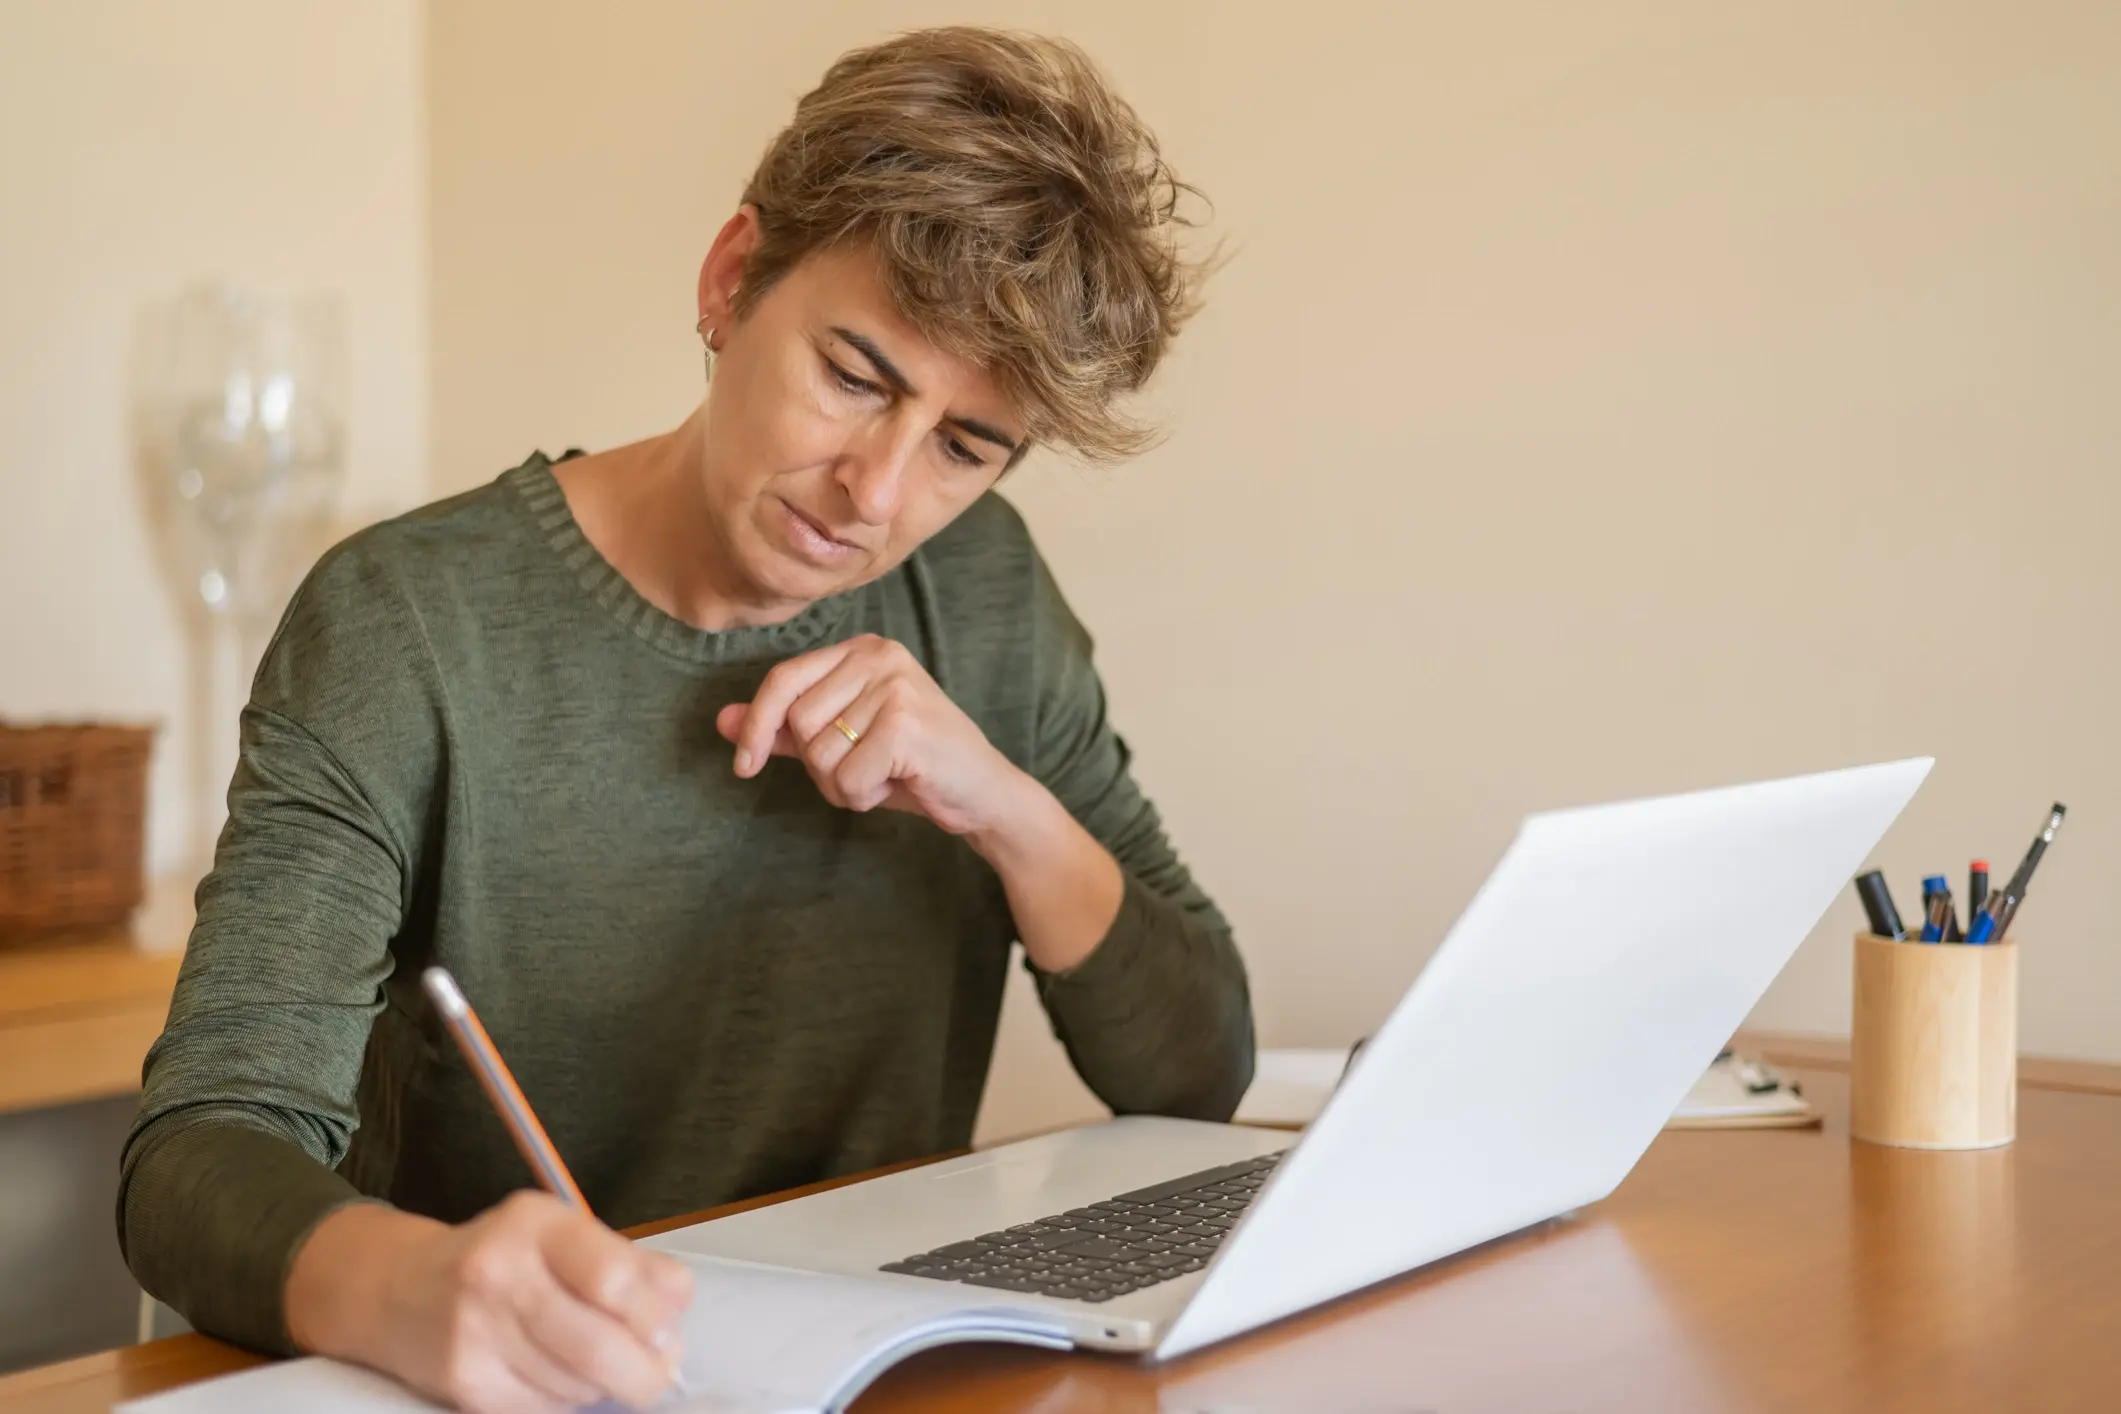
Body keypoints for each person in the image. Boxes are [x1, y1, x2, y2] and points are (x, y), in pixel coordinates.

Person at [118, 25, 1251, 1414]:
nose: (876, 493)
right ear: (731, 283)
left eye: (965, 447)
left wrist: (1002, 807)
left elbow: (1201, 1066)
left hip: (874, 1375)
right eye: (856, 374)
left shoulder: (988, 593)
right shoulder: (407, 621)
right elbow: (197, 1152)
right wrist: (417, 1285)